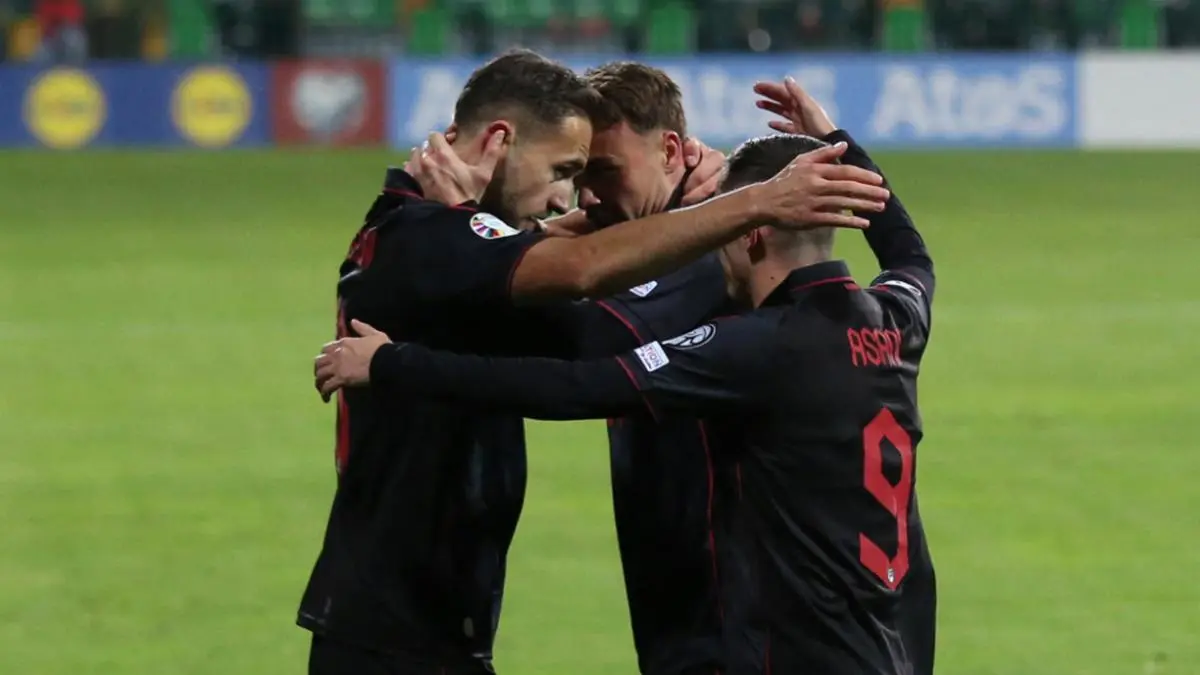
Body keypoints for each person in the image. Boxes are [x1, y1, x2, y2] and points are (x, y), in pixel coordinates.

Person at [298, 49, 890, 675]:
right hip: (401, 626)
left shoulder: (424, 231)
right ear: (498, 141)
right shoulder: (435, 237)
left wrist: (699, 213)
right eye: (566, 172)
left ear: (670, 151)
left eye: (597, 172)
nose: (571, 200)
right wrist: (743, 209)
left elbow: (554, 279)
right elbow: (583, 298)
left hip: (726, 628)